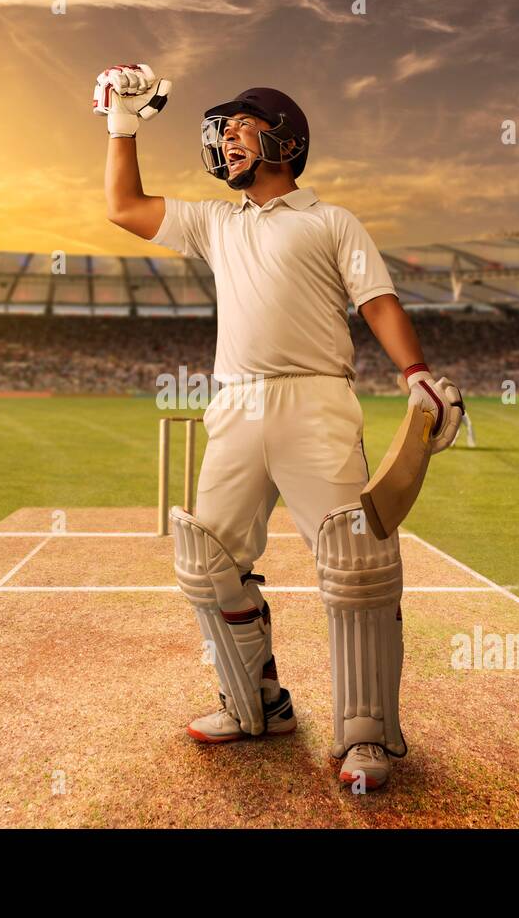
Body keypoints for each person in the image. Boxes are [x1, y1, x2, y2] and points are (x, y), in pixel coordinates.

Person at [96, 65, 463, 791]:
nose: (225, 141)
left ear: (285, 139)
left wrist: (415, 371)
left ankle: (366, 735)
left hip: (317, 401)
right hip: (234, 405)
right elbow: (124, 206)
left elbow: (378, 301)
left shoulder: (331, 221)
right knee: (208, 561)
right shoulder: (214, 221)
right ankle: (255, 703)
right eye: (221, 132)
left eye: (239, 128)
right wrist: (122, 124)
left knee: (356, 568)